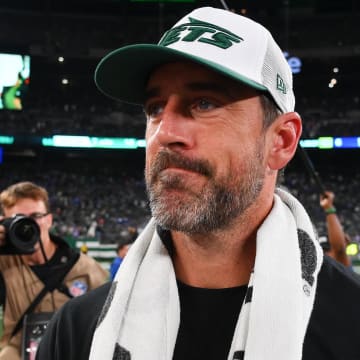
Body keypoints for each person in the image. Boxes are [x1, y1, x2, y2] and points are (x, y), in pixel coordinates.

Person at [36, 7, 360, 360]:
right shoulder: (76, 330)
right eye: (155, 107)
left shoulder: (349, 323)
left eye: (204, 103)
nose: (165, 132)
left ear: (280, 141)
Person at [0, 181, 109, 360]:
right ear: (5, 224)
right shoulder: (4, 266)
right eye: (19, 219)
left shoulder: (87, 270)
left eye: (35, 216)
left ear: (49, 219)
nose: (29, 226)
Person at [319, 190, 352, 267]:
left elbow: (339, 248)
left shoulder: (339, 265)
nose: (325, 256)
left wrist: (329, 209)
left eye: (327, 250)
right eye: (322, 251)